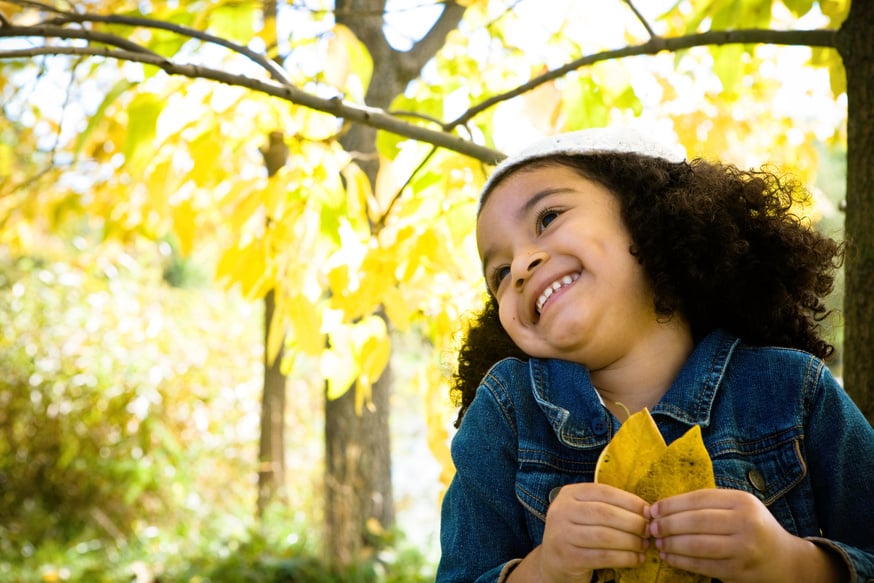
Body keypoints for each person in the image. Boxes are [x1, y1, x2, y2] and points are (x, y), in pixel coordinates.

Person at [436, 127, 874, 583]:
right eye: (500, 272)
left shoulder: (794, 390)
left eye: (547, 218)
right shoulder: (505, 413)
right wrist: (544, 568)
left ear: (648, 214)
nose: (522, 266)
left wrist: (789, 562)